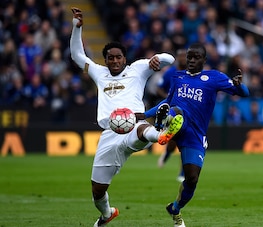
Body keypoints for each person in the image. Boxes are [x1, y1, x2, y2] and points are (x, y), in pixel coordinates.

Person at [70, 7, 184, 227]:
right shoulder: (98, 72)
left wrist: (157, 58)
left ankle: (161, 133)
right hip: (109, 135)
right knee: (97, 190)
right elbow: (76, 56)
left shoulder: (138, 68)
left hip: (133, 124)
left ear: (125, 58)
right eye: (110, 58)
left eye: (118, 57)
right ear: (105, 60)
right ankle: (107, 214)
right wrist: (77, 27)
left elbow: (169, 59)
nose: (114, 61)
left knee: (140, 130)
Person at [144, 43, 249, 227]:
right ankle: (164, 124)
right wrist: (144, 115)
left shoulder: (214, 77)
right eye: (188, 56)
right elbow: (166, 102)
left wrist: (240, 86)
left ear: (204, 60)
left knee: (192, 179)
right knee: (175, 110)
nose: (190, 60)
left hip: (195, 135)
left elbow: (245, 93)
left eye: (195, 57)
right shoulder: (178, 77)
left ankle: (175, 208)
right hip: (178, 119)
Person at [156, 49, 187, 182]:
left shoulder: (191, 73)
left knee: (185, 142)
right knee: (173, 142)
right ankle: (167, 154)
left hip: (187, 111)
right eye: (180, 56)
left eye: (184, 56)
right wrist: (169, 99)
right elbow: (159, 88)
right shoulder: (169, 72)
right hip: (173, 110)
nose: (183, 59)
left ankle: (182, 173)